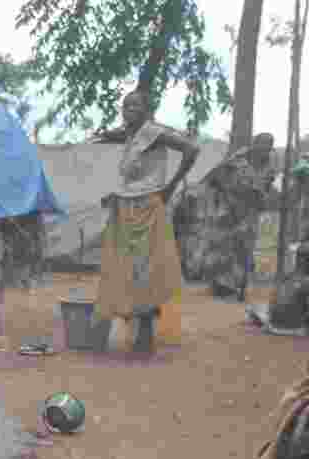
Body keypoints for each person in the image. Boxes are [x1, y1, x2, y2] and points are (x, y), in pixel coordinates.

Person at [93, 89, 200, 354]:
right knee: (125, 267)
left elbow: (192, 148)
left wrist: (171, 187)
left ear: (146, 110)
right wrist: (104, 135)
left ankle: (145, 332)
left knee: (146, 269)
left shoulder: (155, 132)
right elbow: (120, 138)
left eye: (135, 106)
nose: (128, 110)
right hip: (126, 206)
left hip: (147, 208)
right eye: (125, 106)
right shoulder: (131, 134)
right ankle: (129, 323)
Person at [201, 132, 278, 302]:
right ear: (255, 144)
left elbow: (266, 187)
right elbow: (215, 178)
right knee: (223, 245)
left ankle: (238, 284)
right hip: (228, 208)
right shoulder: (237, 160)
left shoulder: (270, 167)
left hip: (250, 211)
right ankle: (220, 283)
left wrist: (261, 198)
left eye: (269, 145)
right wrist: (223, 198)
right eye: (263, 144)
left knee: (244, 247)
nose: (266, 148)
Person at [248, 242, 309, 335]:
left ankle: (259, 315)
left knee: (261, 308)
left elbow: (272, 304)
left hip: (273, 326)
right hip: (296, 329)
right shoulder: (305, 281)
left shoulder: (286, 277)